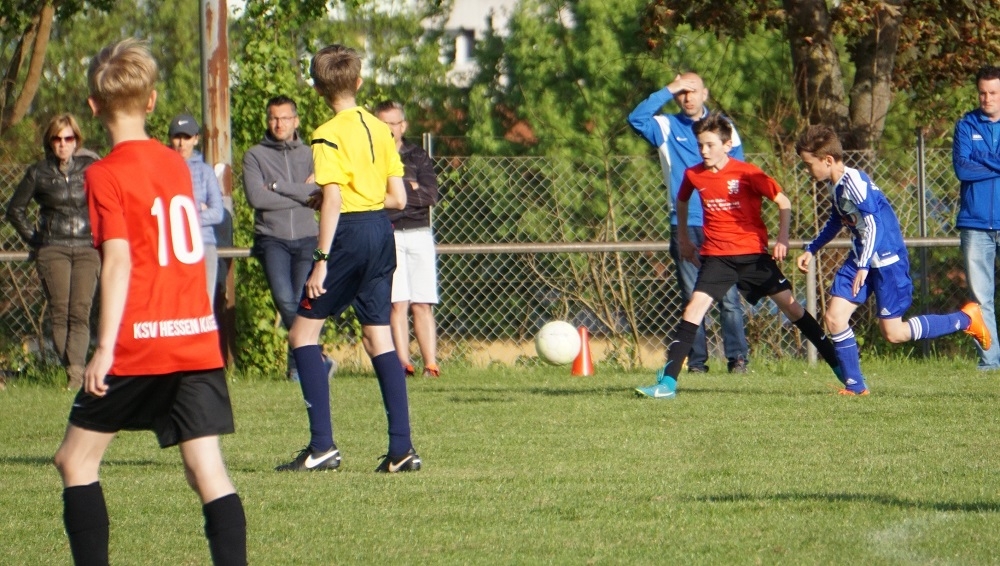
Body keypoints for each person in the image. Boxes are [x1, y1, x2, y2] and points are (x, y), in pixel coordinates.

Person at [52, 38, 246, 565]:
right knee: (207, 471)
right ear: (153, 101)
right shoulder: (176, 164)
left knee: (75, 461)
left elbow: (118, 262)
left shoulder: (103, 173)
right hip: (195, 338)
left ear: (93, 107)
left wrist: (104, 349)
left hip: (140, 341)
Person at [275, 44, 418, 473]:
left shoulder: (327, 133)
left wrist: (321, 259)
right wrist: (354, 201)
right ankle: (402, 451)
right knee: (379, 338)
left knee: (302, 335)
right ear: (358, 82)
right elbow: (398, 198)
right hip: (380, 231)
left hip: (349, 236)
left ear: (318, 89)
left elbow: (335, 200)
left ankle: (321, 447)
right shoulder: (380, 128)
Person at [635, 114, 841, 399]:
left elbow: (783, 202)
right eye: (700, 145)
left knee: (793, 309)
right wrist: (683, 238)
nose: (704, 150)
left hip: (753, 257)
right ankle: (667, 384)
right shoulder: (694, 175)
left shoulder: (748, 173)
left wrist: (782, 238)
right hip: (717, 258)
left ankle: (842, 368)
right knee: (693, 310)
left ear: (727, 145)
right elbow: (681, 200)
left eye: (710, 145)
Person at [797, 124, 990, 395]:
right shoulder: (836, 186)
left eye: (809, 165)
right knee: (835, 317)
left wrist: (864, 265)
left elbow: (875, 225)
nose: (807, 171)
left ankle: (966, 318)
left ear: (827, 160)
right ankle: (855, 387)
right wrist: (811, 248)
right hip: (862, 258)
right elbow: (836, 221)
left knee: (894, 333)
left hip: (886, 262)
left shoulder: (855, 184)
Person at [628, 72, 750, 373]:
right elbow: (636, 119)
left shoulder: (724, 128)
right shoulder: (666, 126)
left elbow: (739, 172)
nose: (687, 96)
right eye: (681, 91)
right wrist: (668, 88)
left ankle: (737, 359)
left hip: (720, 223)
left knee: (729, 298)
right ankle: (696, 363)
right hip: (684, 224)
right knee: (692, 297)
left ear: (704, 94)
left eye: (692, 90)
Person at [5, 114, 101, 390]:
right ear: (50, 142)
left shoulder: (91, 169)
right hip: (53, 248)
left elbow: (109, 200)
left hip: (86, 248)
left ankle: (75, 374)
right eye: (57, 139)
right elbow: (15, 210)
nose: (63, 144)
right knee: (60, 311)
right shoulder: (38, 172)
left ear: (76, 141)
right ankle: (75, 374)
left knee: (80, 312)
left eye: (68, 138)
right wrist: (36, 239)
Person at [243, 95, 334, 381]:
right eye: (273, 118)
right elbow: (257, 198)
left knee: (301, 300)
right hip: (272, 238)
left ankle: (298, 368)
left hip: (307, 237)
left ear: (296, 121)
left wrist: (277, 186)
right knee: (285, 300)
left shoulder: (311, 154)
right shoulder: (255, 155)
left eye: (284, 118)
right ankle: (316, 356)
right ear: (267, 120)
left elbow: (321, 194)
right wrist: (301, 195)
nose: (279, 123)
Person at [373, 100, 441, 378]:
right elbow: (373, 196)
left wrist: (396, 194)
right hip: (388, 233)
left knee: (422, 303)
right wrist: (410, 188)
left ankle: (431, 365)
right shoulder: (371, 157)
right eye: (383, 123)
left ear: (403, 125)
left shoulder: (418, 156)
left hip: (418, 233)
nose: (388, 129)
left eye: (393, 123)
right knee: (397, 303)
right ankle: (403, 364)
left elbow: (430, 195)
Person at [953, 65, 1000, 371]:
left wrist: (980, 157)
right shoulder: (965, 125)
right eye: (982, 93)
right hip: (975, 224)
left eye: (993, 92)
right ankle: (990, 363)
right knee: (981, 300)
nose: (987, 98)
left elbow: (972, 164)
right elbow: (962, 169)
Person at [168, 113, 224, 299]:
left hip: (203, 243)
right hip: (170, 245)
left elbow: (217, 213)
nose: (181, 143)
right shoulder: (161, 169)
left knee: (204, 302)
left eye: (187, 137)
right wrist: (198, 208)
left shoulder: (205, 172)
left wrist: (182, 216)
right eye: (177, 137)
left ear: (196, 139)